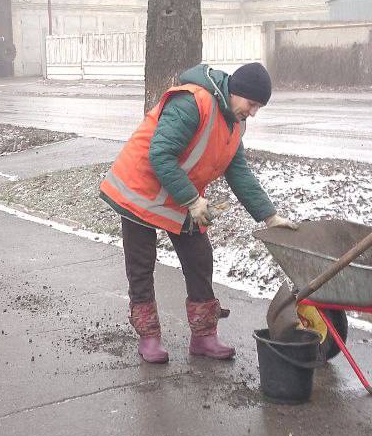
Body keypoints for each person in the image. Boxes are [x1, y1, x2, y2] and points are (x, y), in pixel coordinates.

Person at [100, 61, 296, 363]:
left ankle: (204, 337)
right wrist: (192, 200)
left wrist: (268, 215)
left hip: (180, 192)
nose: (253, 112)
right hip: (139, 189)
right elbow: (160, 155)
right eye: (252, 104)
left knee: (200, 259)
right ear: (236, 92)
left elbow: (238, 170)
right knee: (141, 264)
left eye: (259, 107)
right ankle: (149, 338)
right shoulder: (192, 102)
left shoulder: (234, 121)